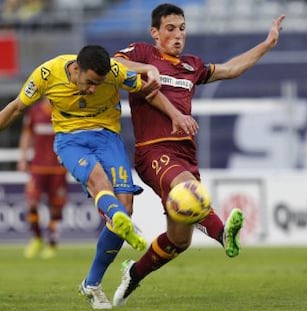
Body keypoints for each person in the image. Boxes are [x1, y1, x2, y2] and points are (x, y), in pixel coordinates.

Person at [111, 3, 285, 306]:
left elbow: (230, 69)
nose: (178, 35)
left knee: (180, 240)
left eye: (182, 29)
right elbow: (113, 63)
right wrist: (147, 69)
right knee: (186, 190)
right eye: (170, 29)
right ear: (155, 33)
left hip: (185, 153)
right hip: (154, 150)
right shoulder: (143, 53)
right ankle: (222, 235)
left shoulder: (192, 65)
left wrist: (266, 45)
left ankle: (134, 274)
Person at [0, 44, 198, 310]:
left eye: (99, 83)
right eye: (90, 82)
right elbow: (15, 108)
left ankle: (91, 282)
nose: (93, 89)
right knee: (98, 181)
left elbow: (149, 91)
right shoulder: (47, 74)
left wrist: (176, 114)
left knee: (126, 204)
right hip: (71, 141)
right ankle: (116, 219)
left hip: (107, 138)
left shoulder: (116, 72)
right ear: (76, 69)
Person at [18, 97, 68, 259]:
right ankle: (37, 238)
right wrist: (23, 157)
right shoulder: (34, 111)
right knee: (31, 201)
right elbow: (27, 134)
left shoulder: (64, 110)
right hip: (38, 166)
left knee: (56, 206)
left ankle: (52, 243)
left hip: (58, 167)